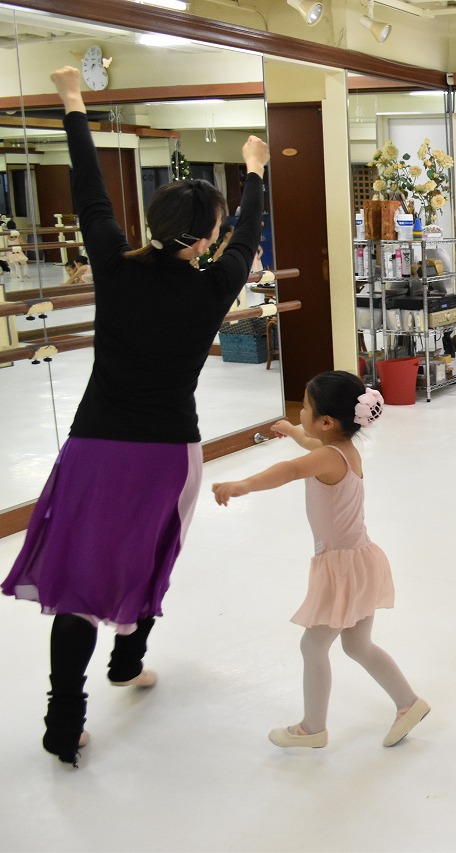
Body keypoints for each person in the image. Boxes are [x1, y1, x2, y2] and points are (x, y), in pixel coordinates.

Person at [1, 66, 267, 767]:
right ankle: (128, 661)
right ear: (204, 239)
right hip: (167, 450)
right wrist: (254, 173)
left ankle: (64, 723)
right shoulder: (214, 284)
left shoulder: (114, 266)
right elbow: (247, 236)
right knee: (150, 552)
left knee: (80, 582)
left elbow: (88, 189)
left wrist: (73, 103)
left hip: (94, 443)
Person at [212, 372, 431, 749]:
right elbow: (308, 441)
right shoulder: (343, 449)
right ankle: (408, 703)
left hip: (341, 569)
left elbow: (290, 469)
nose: (301, 414)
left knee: (313, 647)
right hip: (362, 560)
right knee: (358, 646)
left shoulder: (326, 458)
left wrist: (243, 484)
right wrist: (289, 429)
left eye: (305, 408)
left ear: (327, 421)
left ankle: (312, 729)